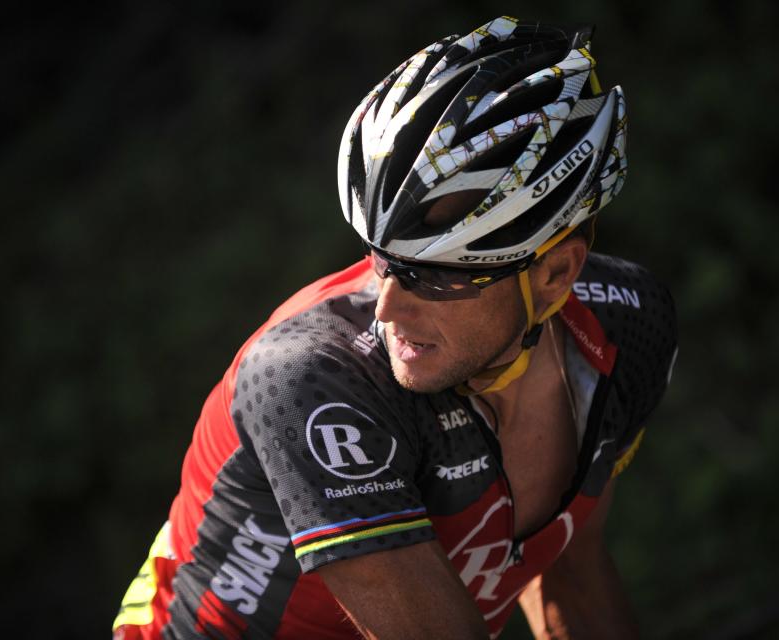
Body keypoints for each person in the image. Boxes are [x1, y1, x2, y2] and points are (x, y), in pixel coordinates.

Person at [113, 15, 677, 640]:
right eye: (383, 259)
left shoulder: (628, 326)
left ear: (552, 276)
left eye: (436, 275)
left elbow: (569, 573)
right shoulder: (311, 378)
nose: (387, 307)